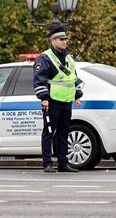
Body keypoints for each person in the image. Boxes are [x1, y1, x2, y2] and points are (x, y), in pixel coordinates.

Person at [33, 23, 83, 173]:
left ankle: (63, 163)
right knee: (49, 132)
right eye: (61, 39)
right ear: (53, 41)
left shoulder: (69, 58)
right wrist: (44, 98)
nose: (64, 41)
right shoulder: (44, 58)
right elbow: (39, 79)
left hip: (66, 101)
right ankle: (47, 163)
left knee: (63, 132)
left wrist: (77, 95)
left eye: (65, 39)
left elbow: (73, 78)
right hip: (52, 101)